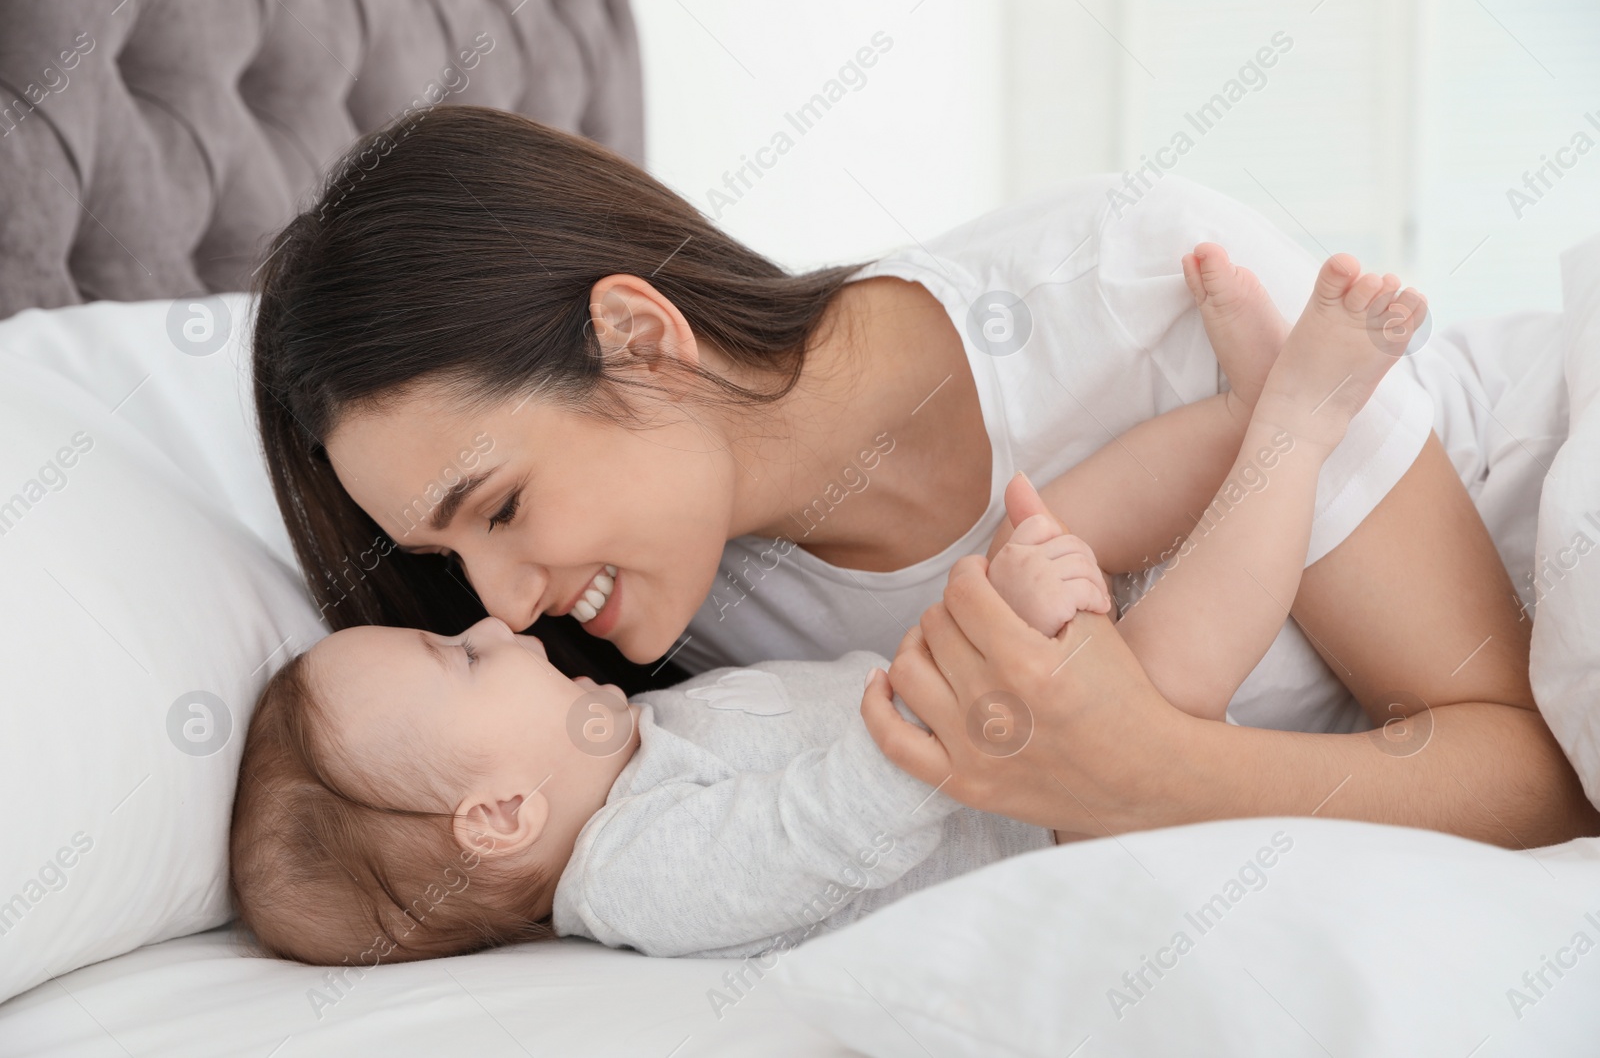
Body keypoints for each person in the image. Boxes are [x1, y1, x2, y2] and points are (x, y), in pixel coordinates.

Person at [250, 104, 1596, 853]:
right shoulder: (679, 674)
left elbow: (1538, 772)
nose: (503, 600)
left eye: (498, 508)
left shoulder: (1132, 290)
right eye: (451, 560)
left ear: (643, 339)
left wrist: (1158, 772)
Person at [231, 250, 1426, 962]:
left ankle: (1248, 407)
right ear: (497, 813)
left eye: (492, 518)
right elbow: (819, 829)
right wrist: (949, 689)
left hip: (996, 722)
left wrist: (986, 624)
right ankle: (1300, 427)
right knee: (1171, 666)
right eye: (460, 660)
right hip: (1058, 805)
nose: (495, 617)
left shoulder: (648, 739)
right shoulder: (634, 876)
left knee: (1043, 519)